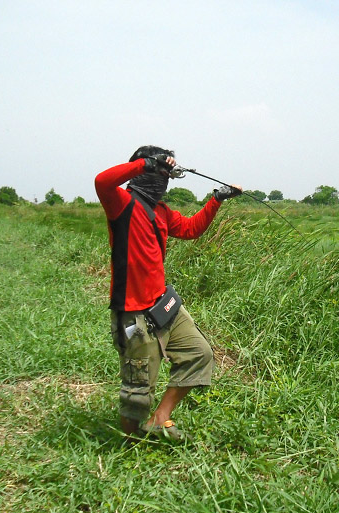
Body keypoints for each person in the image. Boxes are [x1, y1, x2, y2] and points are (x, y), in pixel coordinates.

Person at [95, 145, 241, 442]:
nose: (163, 179)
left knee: (199, 354)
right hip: (133, 312)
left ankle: (160, 418)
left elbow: (190, 229)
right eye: (158, 171)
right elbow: (101, 181)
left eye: (166, 174)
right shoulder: (121, 203)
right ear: (142, 170)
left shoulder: (160, 211)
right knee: (138, 393)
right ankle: (131, 445)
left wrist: (217, 199)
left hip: (163, 305)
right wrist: (146, 163)